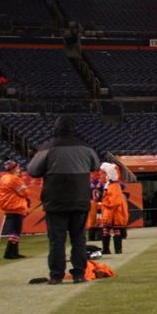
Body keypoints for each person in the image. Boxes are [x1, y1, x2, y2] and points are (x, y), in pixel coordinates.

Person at [26, 116, 101, 284]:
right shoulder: (86, 148)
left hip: (55, 201)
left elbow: (32, 170)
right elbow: (95, 166)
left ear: (55, 129)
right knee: (79, 239)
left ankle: (56, 275)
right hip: (80, 200)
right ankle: (79, 274)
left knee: (57, 240)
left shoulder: (47, 148)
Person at [0, 159, 31, 260]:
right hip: (16, 206)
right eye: (17, 167)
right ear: (14, 168)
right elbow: (25, 192)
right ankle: (9, 253)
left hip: (8, 206)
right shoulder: (14, 179)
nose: (19, 169)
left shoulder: (3, 178)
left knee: (14, 230)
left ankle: (14, 252)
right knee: (15, 231)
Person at [99, 163, 129, 255]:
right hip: (110, 212)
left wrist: (104, 203)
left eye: (104, 174)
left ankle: (117, 249)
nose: (102, 176)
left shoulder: (114, 186)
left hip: (114, 212)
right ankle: (107, 249)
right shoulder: (110, 185)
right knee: (106, 231)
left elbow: (114, 202)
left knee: (115, 230)